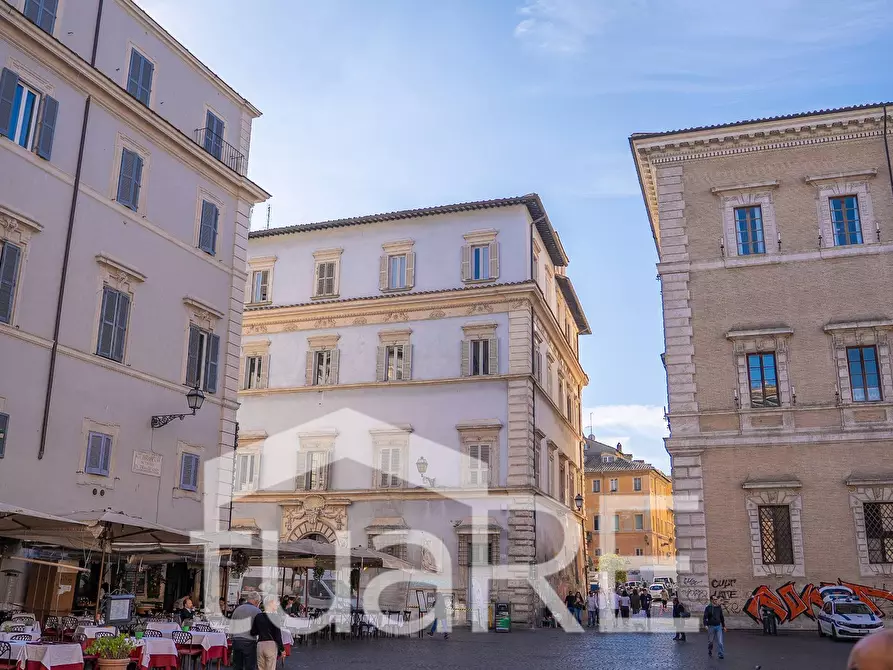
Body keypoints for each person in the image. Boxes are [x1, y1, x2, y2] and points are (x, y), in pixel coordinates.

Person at [252, 595, 284, 670]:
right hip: (271, 645)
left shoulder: (258, 616)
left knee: (260, 668)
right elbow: (278, 636)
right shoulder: (275, 617)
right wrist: (282, 650)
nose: (278, 604)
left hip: (260, 645)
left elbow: (253, 632)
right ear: (271, 603)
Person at [231, 593, 262, 670]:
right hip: (249, 641)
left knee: (237, 666)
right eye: (258, 602)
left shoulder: (237, 609)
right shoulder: (257, 611)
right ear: (256, 601)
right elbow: (260, 628)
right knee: (250, 666)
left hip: (236, 640)